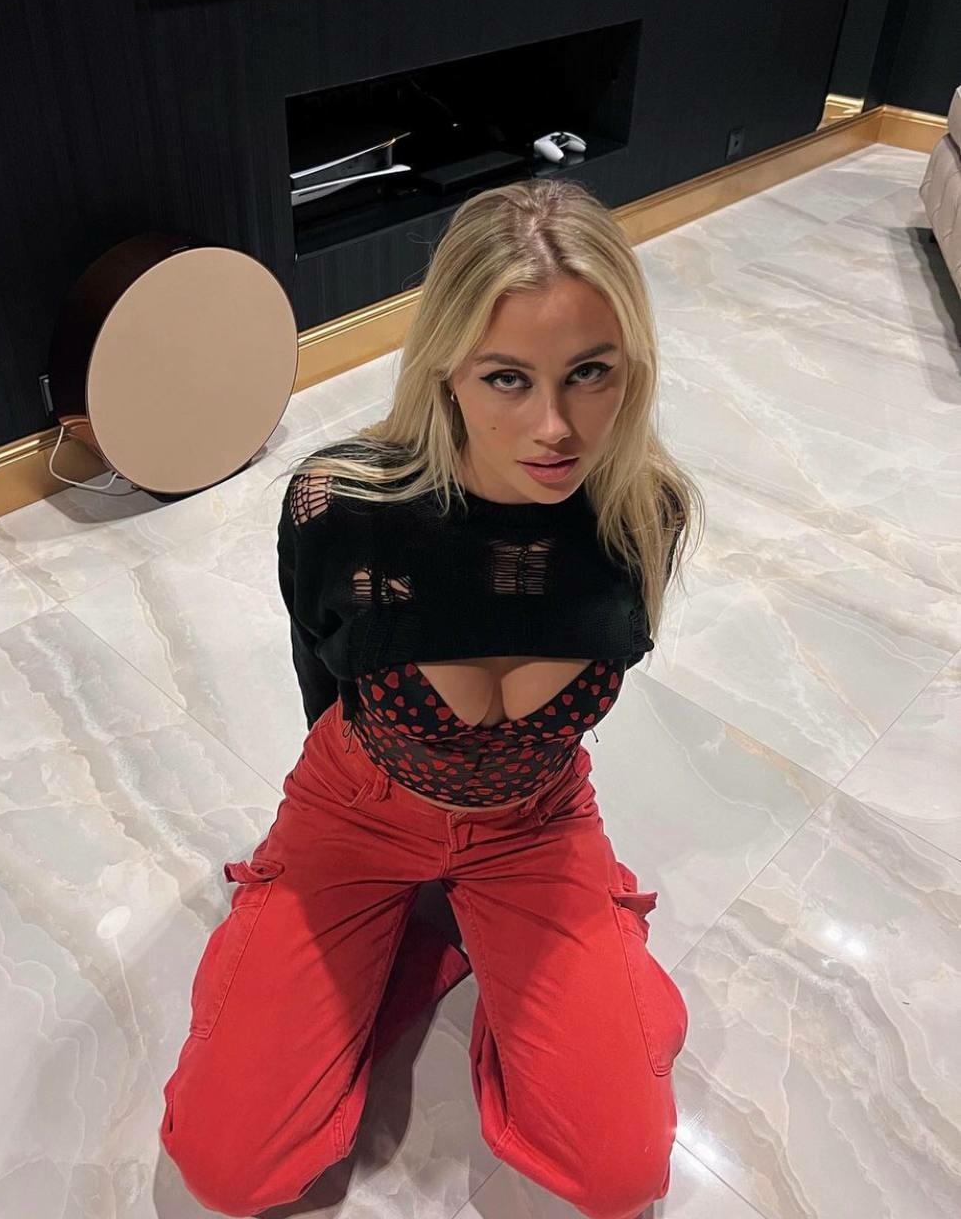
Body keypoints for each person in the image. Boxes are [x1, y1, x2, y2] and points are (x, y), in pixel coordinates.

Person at [159, 178, 703, 1219]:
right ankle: (407, 936)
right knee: (228, 1170)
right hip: (357, 807)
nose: (554, 426)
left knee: (619, 1173)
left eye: (590, 373)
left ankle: (472, 940)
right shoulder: (342, 508)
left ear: (631, 366)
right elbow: (321, 678)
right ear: (447, 367)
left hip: (534, 822)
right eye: (507, 378)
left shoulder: (646, 510)